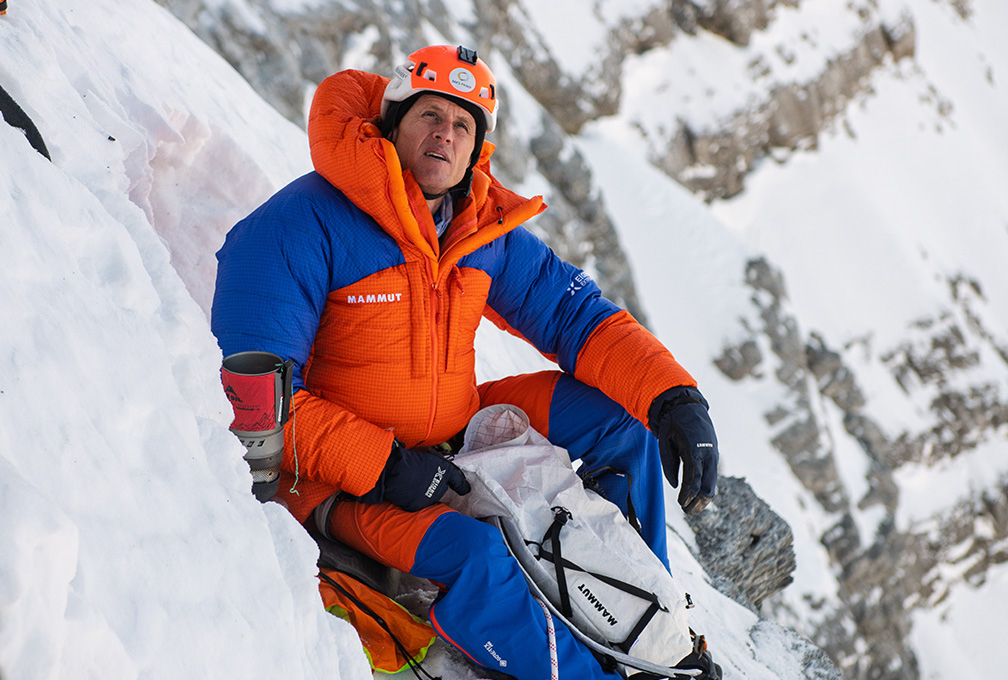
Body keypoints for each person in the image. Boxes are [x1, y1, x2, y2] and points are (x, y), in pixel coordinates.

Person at [211, 44, 719, 680]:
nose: (443, 134)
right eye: (429, 114)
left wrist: (675, 397)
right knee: (475, 554)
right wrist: (389, 466)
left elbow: (575, 317)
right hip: (340, 481)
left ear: (476, 151)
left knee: (627, 420)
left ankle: (645, 628)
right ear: (393, 123)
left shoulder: (473, 228)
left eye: (463, 124)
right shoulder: (297, 226)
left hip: (454, 434)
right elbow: (259, 405)